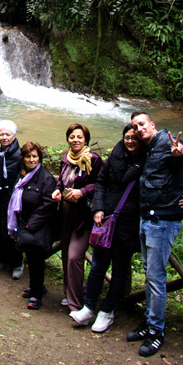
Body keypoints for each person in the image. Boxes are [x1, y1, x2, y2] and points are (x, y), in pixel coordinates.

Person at [126, 112, 183, 357]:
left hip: (163, 221)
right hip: (147, 218)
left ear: (152, 124)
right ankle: (149, 322)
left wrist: (181, 154)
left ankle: (156, 331)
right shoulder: (146, 148)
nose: (138, 129)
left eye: (142, 124)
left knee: (155, 278)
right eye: (135, 126)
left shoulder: (168, 143)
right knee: (149, 273)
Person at [70, 124, 144, 331]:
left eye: (134, 138)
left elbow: (165, 182)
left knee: (119, 269)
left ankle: (107, 310)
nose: (130, 141)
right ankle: (88, 308)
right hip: (107, 219)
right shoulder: (116, 155)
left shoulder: (148, 159)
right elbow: (101, 182)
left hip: (128, 223)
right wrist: (98, 207)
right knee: (97, 267)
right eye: (127, 137)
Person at [52, 123, 103, 311]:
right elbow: (61, 180)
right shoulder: (66, 159)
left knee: (74, 257)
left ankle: (76, 304)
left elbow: (101, 184)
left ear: (86, 140)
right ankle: (70, 292)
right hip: (65, 215)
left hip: (83, 217)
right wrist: (57, 191)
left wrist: (82, 192)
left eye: (79, 137)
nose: (75, 140)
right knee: (66, 255)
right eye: (72, 137)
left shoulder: (94, 160)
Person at [7, 141, 57, 309]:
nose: (31, 159)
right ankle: (37, 287)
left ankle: (36, 295)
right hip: (24, 221)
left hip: (38, 225)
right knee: (30, 257)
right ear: (23, 158)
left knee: (37, 260)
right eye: (28, 156)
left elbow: (49, 203)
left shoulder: (46, 178)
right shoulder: (23, 174)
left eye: (34, 156)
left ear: (39, 158)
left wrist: (32, 224)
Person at [0, 120, 23, 278]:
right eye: (2, 134)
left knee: (13, 231)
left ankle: (17, 263)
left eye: (8, 134)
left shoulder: (20, 154)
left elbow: (22, 176)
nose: (4, 137)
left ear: (14, 136)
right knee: (0, 230)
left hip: (12, 198)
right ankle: (2, 259)